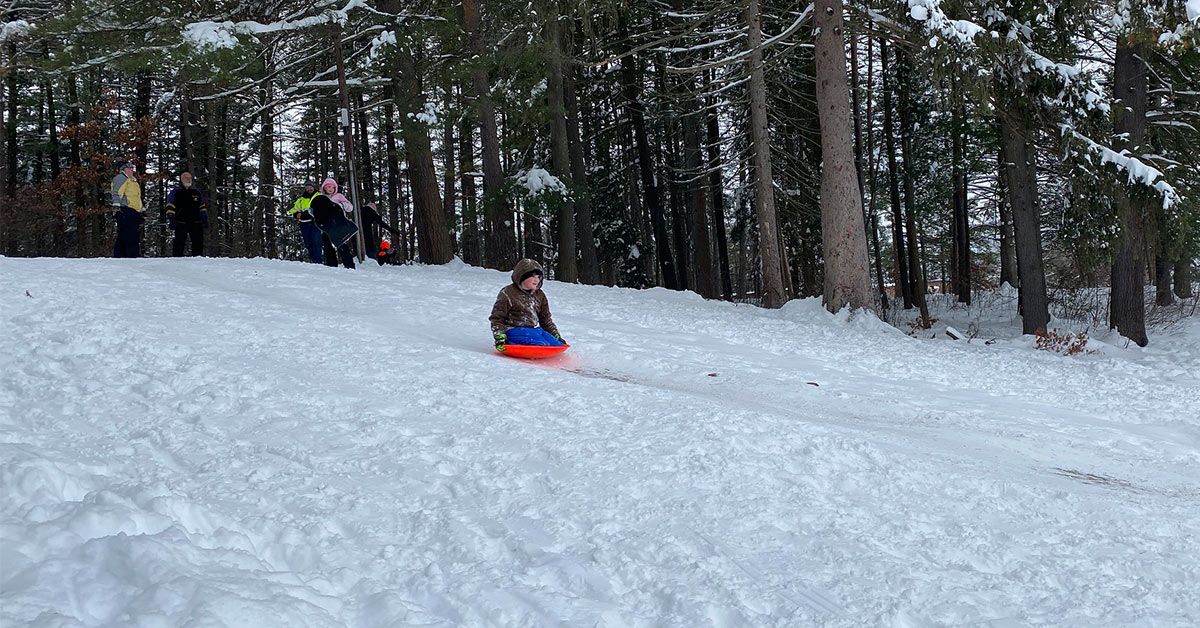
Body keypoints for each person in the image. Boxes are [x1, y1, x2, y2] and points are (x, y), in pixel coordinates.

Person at [489, 258, 565, 352]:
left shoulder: (540, 295)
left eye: (538, 277)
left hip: (533, 330)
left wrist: (555, 335)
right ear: (522, 276)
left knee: (557, 345)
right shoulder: (508, 293)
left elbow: (545, 319)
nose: (536, 280)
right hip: (513, 330)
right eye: (533, 276)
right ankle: (511, 343)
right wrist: (499, 336)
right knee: (542, 344)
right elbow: (497, 318)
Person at [311, 177, 356, 269]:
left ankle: (349, 265)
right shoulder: (320, 198)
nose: (330, 189)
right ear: (324, 188)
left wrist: (342, 205)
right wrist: (312, 212)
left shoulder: (339, 196)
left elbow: (350, 207)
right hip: (327, 226)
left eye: (332, 187)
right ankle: (331, 265)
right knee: (327, 244)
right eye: (328, 187)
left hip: (338, 224)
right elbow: (314, 210)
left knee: (342, 244)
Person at [165, 171, 208, 256]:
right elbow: (170, 205)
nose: (189, 180)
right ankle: (176, 261)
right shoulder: (176, 192)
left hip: (196, 222)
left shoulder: (196, 192)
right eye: (186, 178)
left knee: (198, 243)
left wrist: (204, 217)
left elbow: (202, 205)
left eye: (190, 178)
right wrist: (171, 218)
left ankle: (198, 261)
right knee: (179, 244)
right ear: (181, 179)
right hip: (181, 222)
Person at [110, 161, 143, 258]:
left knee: (127, 234)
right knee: (129, 234)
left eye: (132, 168)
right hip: (126, 209)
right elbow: (116, 192)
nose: (131, 170)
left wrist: (141, 209)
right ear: (123, 169)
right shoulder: (121, 178)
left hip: (134, 211)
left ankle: (121, 255)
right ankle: (131, 255)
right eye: (129, 168)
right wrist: (116, 206)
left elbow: (136, 197)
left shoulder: (133, 181)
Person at [290, 181, 322, 263]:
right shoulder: (301, 200)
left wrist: (314, 214)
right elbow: (293, 210)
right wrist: (298, 215)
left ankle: (318, 261)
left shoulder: (319, 196)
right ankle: (313, 259)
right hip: (304, 223)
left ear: (314, 187)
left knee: (316, 242)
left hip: (316, 223)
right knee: (308, 243)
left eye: (311, 187)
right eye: (307, 187)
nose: (309, 188)